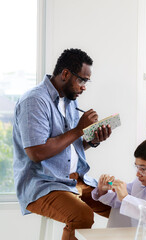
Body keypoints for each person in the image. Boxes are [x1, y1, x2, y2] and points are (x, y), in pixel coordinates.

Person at [13, 48, 113, 240]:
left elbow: (67, 148)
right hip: (43, 183)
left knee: (121, 203)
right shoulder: (34, 100)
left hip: (74, 179)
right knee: (82, 215)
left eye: (86, 82)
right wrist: (78, 130)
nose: (84, 87)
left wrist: (91, 141)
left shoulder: (70, 101)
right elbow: (36, 153)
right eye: (82, 80)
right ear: (65, 74)